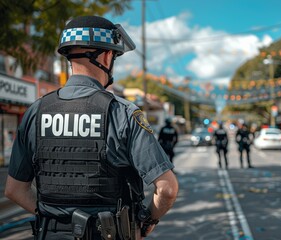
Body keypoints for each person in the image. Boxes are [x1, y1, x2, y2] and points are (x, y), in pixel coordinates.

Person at [4, 16, 178, 240]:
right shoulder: (122, 112)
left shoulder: (35, 112)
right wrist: (146, 221)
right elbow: (167, 188)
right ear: (106, 56)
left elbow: (14, 190)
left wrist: (55, 218)